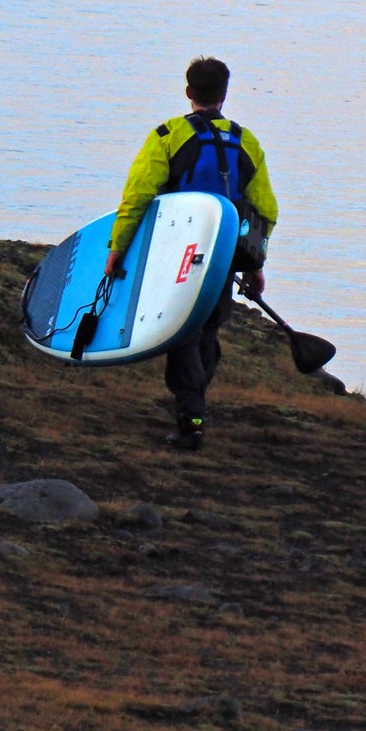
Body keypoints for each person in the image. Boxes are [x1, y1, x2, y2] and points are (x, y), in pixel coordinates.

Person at [104, 57, 278, 450]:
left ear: (188, 92)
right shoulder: (246, 141)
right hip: (222, 255)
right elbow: (264, 211)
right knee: (206, 328)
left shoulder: (166, 135)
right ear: (225, 93)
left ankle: (192, 418)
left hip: (179, 251)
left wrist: (118, 247)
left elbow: (137, 198)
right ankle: (195, 406)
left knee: (184, 332)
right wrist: (256, 264)